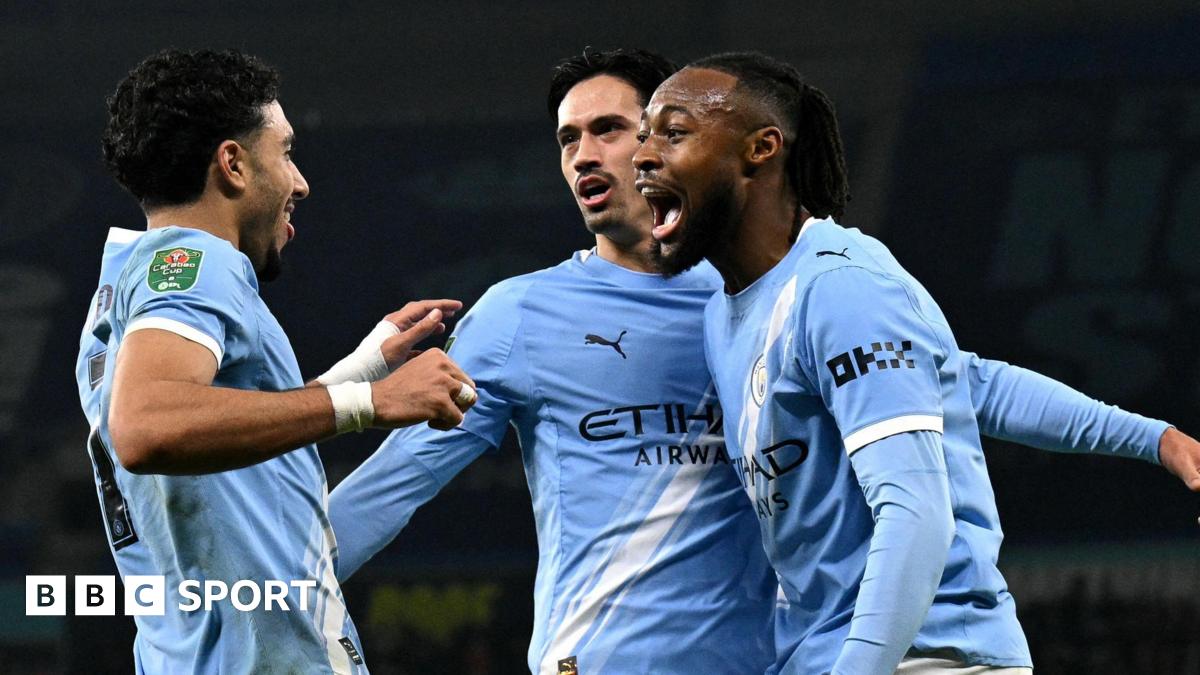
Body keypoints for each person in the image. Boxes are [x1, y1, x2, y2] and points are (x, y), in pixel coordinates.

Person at [332, 48, 1199, 674]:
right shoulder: (523, 315)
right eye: (568, 139)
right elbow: (398, 480)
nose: (592, 155)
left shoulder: (776, 291)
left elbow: (961, 382)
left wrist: (1150, 436)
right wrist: (264, 583)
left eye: (617, 129)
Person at [633, 50, 1200, 674]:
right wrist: (1160, 440)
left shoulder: (842, 293)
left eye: (674, 132)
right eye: (644, 135)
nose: (643, 155)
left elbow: (917, 515)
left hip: (926, 658)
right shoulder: (725, 308)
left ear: (761, 148)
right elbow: (968, 381)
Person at [75, 48, 476, 674]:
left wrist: (361, 368)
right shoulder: (195, 261)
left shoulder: (126, 288)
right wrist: (369, 403)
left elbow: (221, 458)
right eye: (285, 152)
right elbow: (148, 426)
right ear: (233, 164)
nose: (300, 181)